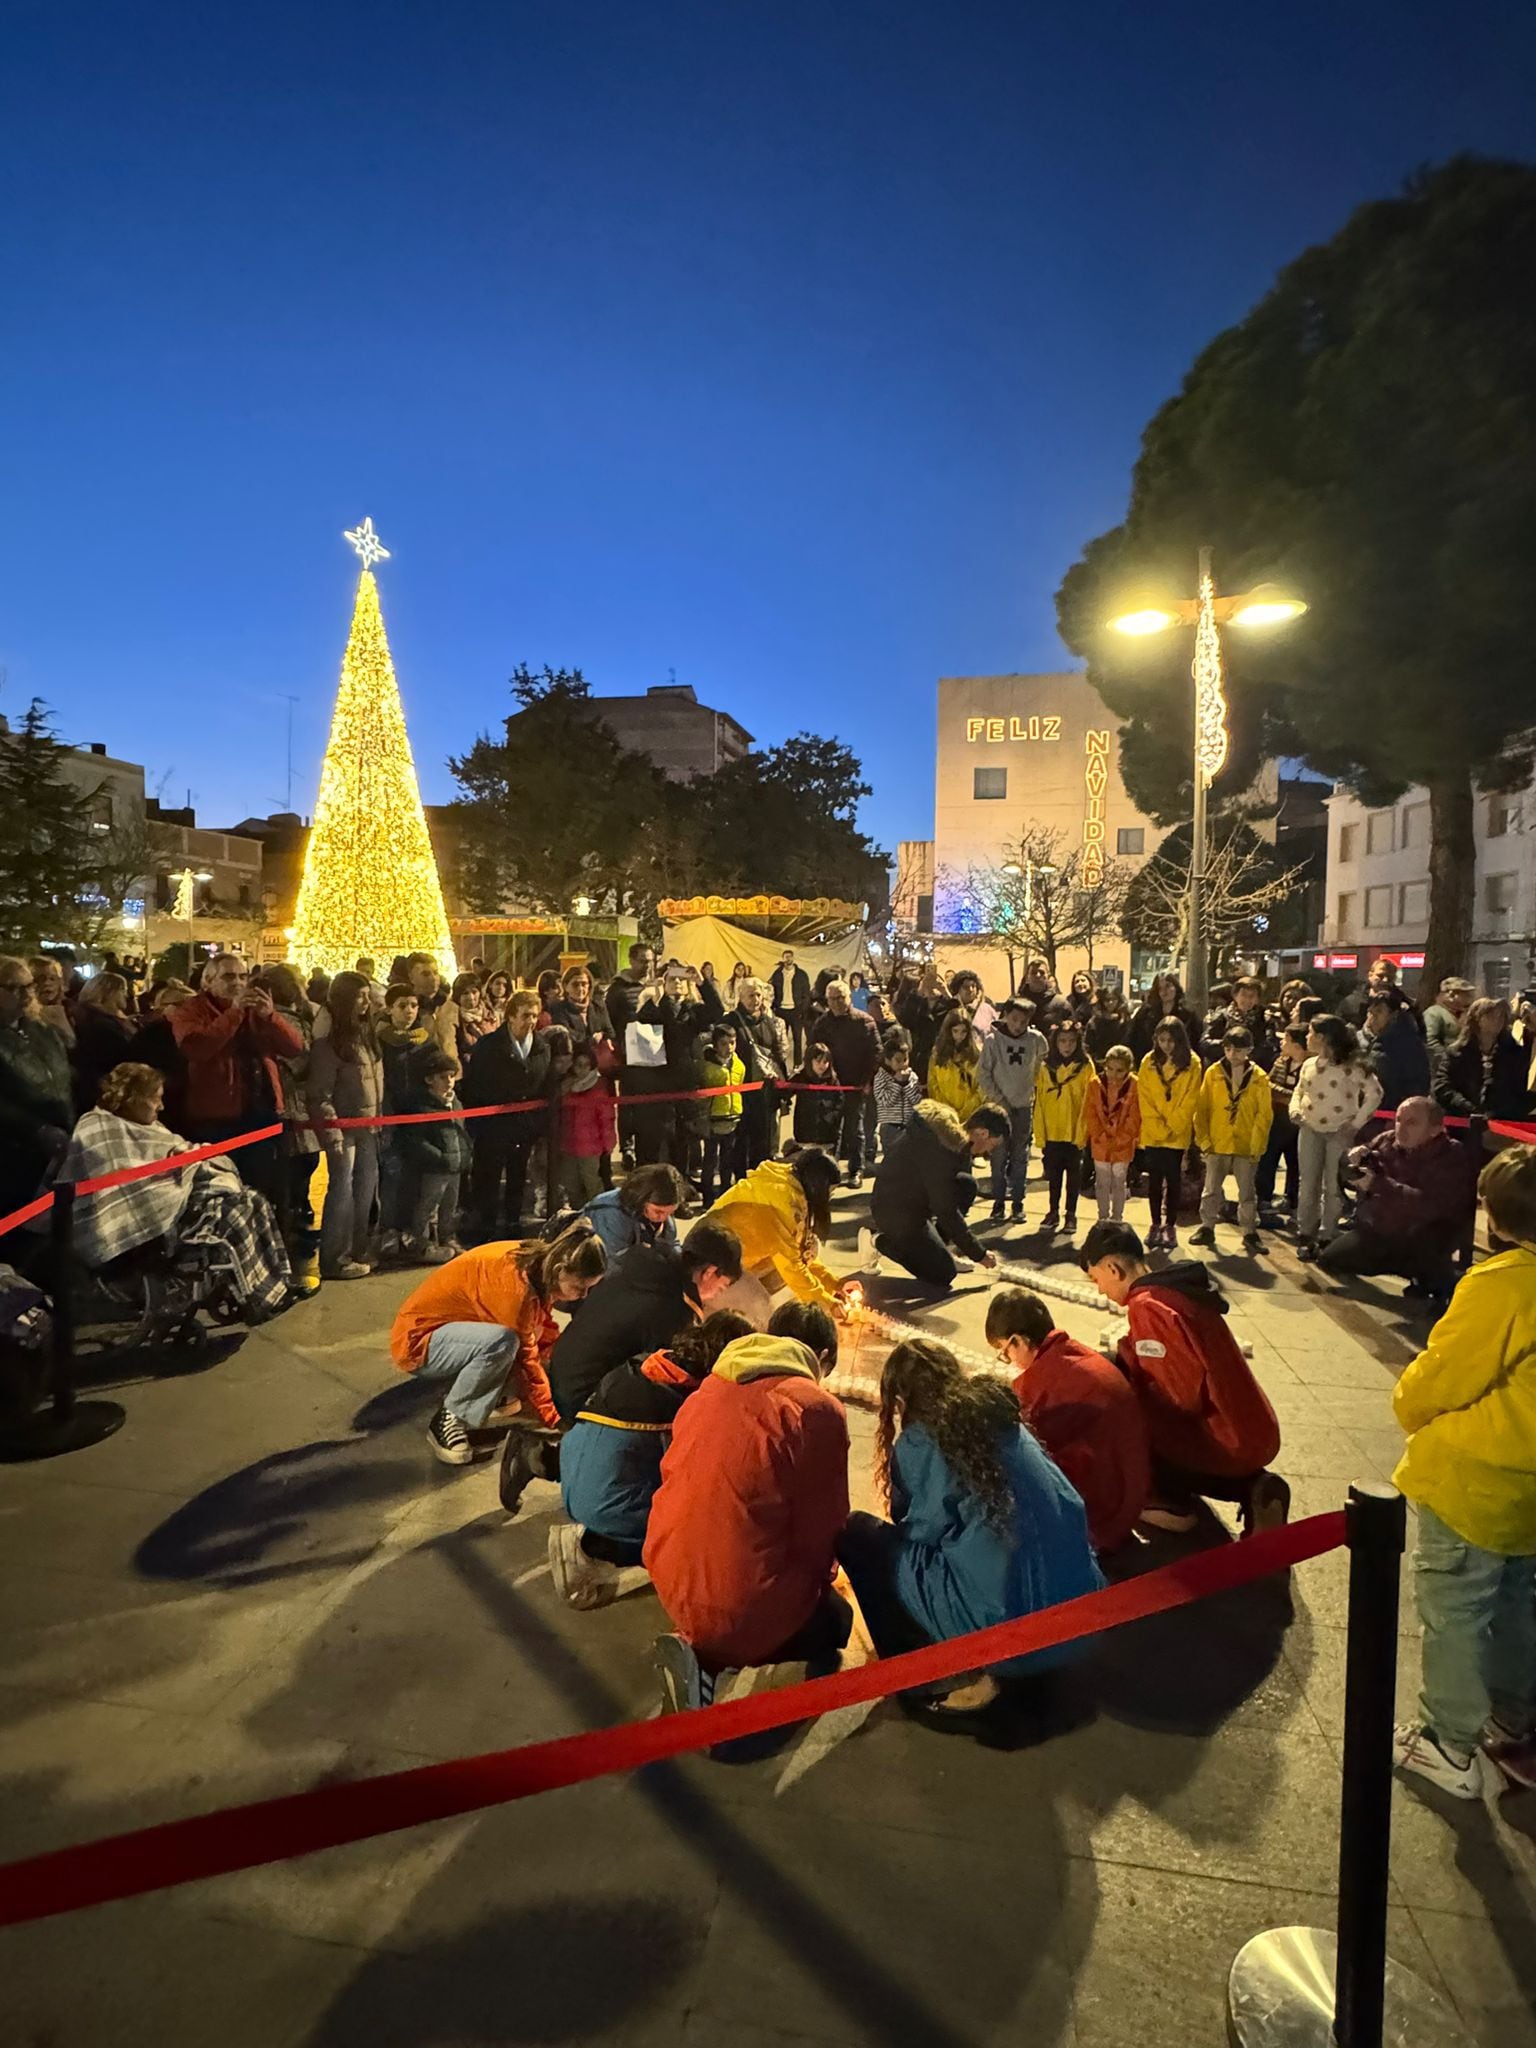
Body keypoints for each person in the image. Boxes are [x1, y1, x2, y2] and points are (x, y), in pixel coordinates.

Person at [838, 1335, 1104, 1722]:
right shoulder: (1004, 1419)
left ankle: (927, 1675)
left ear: (900, 1400)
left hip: (1011, 1638)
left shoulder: (922, 1440)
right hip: (1080, 1611)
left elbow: (918, 1531)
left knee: (861, 1535)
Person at [1391, 1143, 1536, 1800]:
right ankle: (1512, 1714)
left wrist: (1409, 1407)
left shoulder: (1502, 1283)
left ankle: (1448, 1743)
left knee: (1454, 1607)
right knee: (1515, 1602)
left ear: (1497, 1218)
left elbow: (1442, 1377)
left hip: (1477, 1474)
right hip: (1527, 1490)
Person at [648, 1325, 851, 1707]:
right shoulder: (814, 1409)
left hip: (667, 1571)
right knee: (836, 1625)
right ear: (819, 1361)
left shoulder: (705, 1393)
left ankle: (697, 1642)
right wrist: (821, 1582)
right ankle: (710, 1658)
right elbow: (823, 1524)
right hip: (740, 1597)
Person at [1080, 1221, 1287, 1534]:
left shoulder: (1148, 1307)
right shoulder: (1178, 1290)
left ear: (1112, 1268)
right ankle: (1253, 1486)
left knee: (1124, 1421)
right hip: (1254, 1428)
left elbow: (1178, 1398)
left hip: (1227, 1441)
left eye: (1097, 1279)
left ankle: (1179, 1501)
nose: (1100, 1290)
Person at [551, 1308, 756, 1609]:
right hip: (606, 1506)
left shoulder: (649, 1364)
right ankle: (596, 1550)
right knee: (707, 1532)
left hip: (574, 1481)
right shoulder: (688, 1401)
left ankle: (600, 1538)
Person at [59, 1061, 294, 1321]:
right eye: (156, 1099)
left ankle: (274, 1287)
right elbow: (126, 1186)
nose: (161, 1107)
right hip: (160, 1213)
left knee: (254, 1201)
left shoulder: (147, 1124)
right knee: (234, 1215)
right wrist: (180, 1168)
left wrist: (188, 1157)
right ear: (134, 1097)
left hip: (181, 1194)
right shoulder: (99, 1128)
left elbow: (166, 1151)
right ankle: (256, 1295)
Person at [391, 1221, 608, 1466]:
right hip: (419, 1342)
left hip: (452, 1329)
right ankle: (450, 1417)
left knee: (519, 1341)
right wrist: (554, 1417)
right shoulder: (514, 1288)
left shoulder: (539, 1263)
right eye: (580, 1287)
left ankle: (489, 1390)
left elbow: (541, 1327)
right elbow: (525, 1358)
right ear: (560, 1269)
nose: (583, 1296)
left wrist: (563, 1363)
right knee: (502, 1343)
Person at [986, 1288, 1149, 1555]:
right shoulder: (1073, 1353)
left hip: (1104, 1517)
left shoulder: (1044, 1384)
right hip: (1133, 1492)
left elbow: (1030, 1457)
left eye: (1005, 1352)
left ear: (1018, 1341)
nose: (1010, 1362)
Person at [543, 1218, 744, 1430]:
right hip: (585, 1404)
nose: (713, 1297)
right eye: (720, 1288)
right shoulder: (675, 1307)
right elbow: (671, 1370)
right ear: (710, 1272)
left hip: (562, 1375)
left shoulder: (639, 1259)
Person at [170, 951, 302, 1207]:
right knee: (223, 1194)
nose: (239, 983)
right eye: (229, 976)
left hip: (261, 1113)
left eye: (243, 976)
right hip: (218, 1119)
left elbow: (294, 1047)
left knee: (263, 1193)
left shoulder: (256, 1010)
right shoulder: (191, 1010)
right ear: (207, 982)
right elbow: (196, 1047)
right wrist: (234, 1013)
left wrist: (271, 1017)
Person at [1316, 1096, 1478, 1303]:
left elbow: (1429, 1206)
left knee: (1440, 1283)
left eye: (1412, 1123)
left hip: (1424, 1238)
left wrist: (1377, 1184)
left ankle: (1434, 1279)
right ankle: (1411, 1272)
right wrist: (1350, 1160)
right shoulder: (1385, 1141)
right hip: (1381, 1232)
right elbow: (1353, 1176)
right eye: (1399, 1119)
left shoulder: (1452, 1155)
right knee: (1330, 1259)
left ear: (1435, 1129)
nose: (1401, 1128)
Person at [860, 1100, 1008, 1290]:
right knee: (943, 1274)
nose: (989, 1152)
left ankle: (940, 1249)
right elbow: (946, 1210)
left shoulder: (957, 1144)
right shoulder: (939, 1149)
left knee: (967, 1185)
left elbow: (949, 1200)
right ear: (982, 1133)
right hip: (894, 1211)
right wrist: (978, 1254)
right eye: (992, 1145)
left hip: (916, 1201)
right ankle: (876, 1240)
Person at [703, 1147, 845, 1323]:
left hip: (739, 1255)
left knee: (811, 1249)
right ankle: (716, 1309)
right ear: (817, 1185)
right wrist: (827, 1303)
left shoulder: (792, 1185)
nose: (829, 1199)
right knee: (764, 1314)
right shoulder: (782, 1201)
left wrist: (836, 1284)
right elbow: (791, 1265)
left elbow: (800, 1251)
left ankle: (739, 1298)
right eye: (828, 1192)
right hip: (712, 1267)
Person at [307, 969, 385, 1279]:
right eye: (360, 996)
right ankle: (334, 1257)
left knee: (365, 1191)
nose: (366, 1002)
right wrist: (333, 1132)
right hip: (345, 1129)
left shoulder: (367, 1037)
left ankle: (358, 1249)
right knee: (342, 1191)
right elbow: (319, 1094)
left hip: (369, 1127)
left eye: (368, 995)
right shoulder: (330, 1045)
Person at [1290, 1014, 1384, 1260]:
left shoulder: (1352, 1067)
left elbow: (1375, 1093)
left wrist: (1355, 1124)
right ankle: (1305, 1231)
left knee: (1332, 1184)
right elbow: (1299, 1090)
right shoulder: (1310, 1065)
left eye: (1310, 1033)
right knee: (1307, 1182)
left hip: (1338, 1130)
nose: (1307, 1037)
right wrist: (1296, 1110)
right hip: (1310, 1128)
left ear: (1323, 1038)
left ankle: (1327, 1233)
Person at [463, 987, 552, 1236]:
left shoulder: (541, 1046)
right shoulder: (489, 1045)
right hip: (494, 1125)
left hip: (524, 1126)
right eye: (525, 1015)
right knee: (488, 1177)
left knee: (518, 1174)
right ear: (511, 1016)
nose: (531, 1021)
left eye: (534, 1016)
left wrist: (537, 1121)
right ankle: (486, 1224)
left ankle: (513, 1221)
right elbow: (475, 1083)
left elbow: (544, 1085)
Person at [1190, 1026, 1273, 1256]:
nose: (1233, 1054)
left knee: (1246, 1191)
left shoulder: (1258, 1077)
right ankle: (1207, 1225)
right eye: (1228, 1049)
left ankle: (1249, 1230)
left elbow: (1263, 1114)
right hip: (1218, 1140)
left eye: (1238, 1050)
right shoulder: (1214, 1073)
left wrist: (1257, 1145)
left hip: (1246, 1142)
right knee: (1211, 1188)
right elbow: (1202, 1108)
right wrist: (1203, 1140)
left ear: (1249, 1050)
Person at [397, 1049, 471, 1260]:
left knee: (450, 1204)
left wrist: (465, 1155)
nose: (448, 1081)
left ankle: (448, 1237)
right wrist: (438, 1157)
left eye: (451, 1076)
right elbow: (417, 1140)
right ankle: (423, 1243)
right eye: (442, 1077)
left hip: (454, 1165)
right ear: (429, 1079)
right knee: (428, 1205)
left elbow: (461, 1132)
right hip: (435, 1167)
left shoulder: (455, 1102)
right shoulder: (422, 1106)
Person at [975, 998, 1045, 1223]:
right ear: (1005, 1015)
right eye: (1014, 1019)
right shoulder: (993, 1041)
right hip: (998, 1110)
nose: (1018, 1025)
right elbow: (983, 1074)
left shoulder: (1035, 1040)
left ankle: (1017, 1202)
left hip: (1023, 1107)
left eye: (1024, 1021)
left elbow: (1041, 1062)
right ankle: (998, 1202)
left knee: (1020, 1156)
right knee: (998, 1156)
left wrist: (1032, 1088)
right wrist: (999, 1099)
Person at [807, 979, 881, 1189]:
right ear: (827, 1000)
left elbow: (876, 1053)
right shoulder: (822, 1024)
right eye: (833, 998)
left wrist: (868, 1080)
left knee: (855, 1128)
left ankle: (856, 1169)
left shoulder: (864, 1021)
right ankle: (831, 1170)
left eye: (842, 997)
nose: (838, 1002)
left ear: (849, 997)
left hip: (856, 1084)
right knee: (831, 1131)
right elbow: (812, 1051)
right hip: (830, 1085)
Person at [1136, 1017, 1201, 1252]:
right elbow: (1144, 1096)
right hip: (1153, 1131)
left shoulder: (1192, 1063)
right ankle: (1155, 1223)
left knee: (1173, 1180)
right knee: (1154, 1181)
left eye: (1171, 1041)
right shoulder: (1148, 1062)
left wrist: (1173, 1123)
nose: (1166, 1045)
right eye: (1161, 1040)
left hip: (1176, 1132)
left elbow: (1191, 1099)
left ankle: (1170, 1224)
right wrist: (1157, 1123)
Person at [721, 976, 791, 1176]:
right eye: (751, 995)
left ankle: (759, 1177)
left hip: (765, 1093)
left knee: (764, 1142)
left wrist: (782, 1088)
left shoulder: (770, 1022)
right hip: (740, 1091)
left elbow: (777, 1055)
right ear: (741, 997)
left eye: (758, 994)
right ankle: (740, 1179)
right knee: (740, 1141)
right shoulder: (730, 1021)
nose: (755, 999)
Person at [1033, 1018, 1094, 1236]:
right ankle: (1052, 1211)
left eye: (1071, 1041)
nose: (1066, 1046)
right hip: (1052, 1131)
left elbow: (1089, 1101)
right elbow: (1039, 1101)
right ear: (1055, 1042)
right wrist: (1040, 1133)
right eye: (1062, 1041)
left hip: (1073, 1131)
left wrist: (1082, 1132)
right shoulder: (1045, 1067)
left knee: (1074, 1175)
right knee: (1053, 1174)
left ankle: (1071, 1213)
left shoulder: (1085, 1067)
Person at [1436, 997, 1532, 1122]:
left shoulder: (1513, 1052)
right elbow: (1442, 1086)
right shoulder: (1457, 1052)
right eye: (1491, 1016)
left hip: (1502, 1122)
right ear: (1477, 1019)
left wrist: (1498, 1113)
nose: (1497, 1021)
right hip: (1463, 1121)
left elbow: (1521, 1090)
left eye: (1501, 1017)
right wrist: (1469, 1108)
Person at [580, 1162, 688, 1260]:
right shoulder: (609, 1213)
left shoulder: (659, 1207)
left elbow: (671, 1246)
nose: (664, 1218)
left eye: (670, 1213)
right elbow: (614, 1262)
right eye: (658, 1212)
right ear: (640, 1199)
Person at [69, 971, 139, 1116]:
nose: (126, 995)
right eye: (122, 991)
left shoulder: (101, 1018)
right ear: (109, 993)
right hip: (109, 1090)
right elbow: (121, 1053)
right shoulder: (100, 1024)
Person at [1084, 1043, 1140, 1223]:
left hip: (1122, 1145)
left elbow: (1135, 1116)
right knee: (1101, 1182)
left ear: (1128, 1069)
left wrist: (1121, 1138)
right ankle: (1102, 1217)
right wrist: (1099, 1135)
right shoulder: (1095, 1083)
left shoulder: (1134, 1085)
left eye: (1119, 1070)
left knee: (1119, 1181)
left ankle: (1117, 1218)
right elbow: (1090, 1112)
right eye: (1110, 1069)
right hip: (1100, 1143)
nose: (1114, 1075)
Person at [557, 1040, 617, 1205]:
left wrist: (608, 1143)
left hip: (590, 1148)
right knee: (571, 1184)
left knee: (592, 1184)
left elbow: (606, 1119)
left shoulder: (598, 1089)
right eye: (578, 1065)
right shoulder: (566, 1088)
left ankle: (597, 1215)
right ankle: (579, 1215)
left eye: (586, 1065)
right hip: (569, 1146)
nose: (581, 1069)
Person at [1257, 1025, 1307, 1223]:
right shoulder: (1280, 1062)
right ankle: (1264, 1199)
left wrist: (1287, 1096)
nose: (1281, 1043)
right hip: (1277, 1121)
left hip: (1298, 1124)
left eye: (1285, 1039)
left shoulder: (1310, 1066)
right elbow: (1268, 1085)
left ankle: (1293, 1201)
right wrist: (1290, 1095)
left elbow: (1304, 1095)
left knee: (1296, 1164)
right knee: (1269, 1159)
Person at [1360, 991, 1431, 1110]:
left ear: (1394, 1015)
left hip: (1391, 1112)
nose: (1373, 1016)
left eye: (1379, 1011)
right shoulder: (1358, 1039)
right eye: (1370, 1011)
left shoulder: (1409, 1044)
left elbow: (1418, 1083)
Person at [698, 1023, 745, 1202]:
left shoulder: (739, 1065)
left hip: (732, 1119)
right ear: (716, 1045)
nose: (729, 1047)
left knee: (727, 1161)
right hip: (713, 1120)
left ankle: (725, 1192)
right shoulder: (706, 1067)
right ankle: (708, 1197)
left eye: (732, 1043)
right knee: (710, 1160)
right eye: (724, 1043)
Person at [926, 1005, 985, 1126]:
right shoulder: (938, 1053)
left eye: (964, 1031)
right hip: (944, 1112)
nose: (959, 1036)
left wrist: (967, 1110)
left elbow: (981, 1086)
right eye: (955, 1031)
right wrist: (945, 1109)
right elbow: (933, 1083)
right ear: (948, 1031)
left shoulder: (976, 1055)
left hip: (971, 1114)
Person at [1129, 974, 1203, 1064]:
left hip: (1179, 1066)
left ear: (1175, 987)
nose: (1164, 991)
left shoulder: (1188, 1015)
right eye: (1160, 988)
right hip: (1149, 1065)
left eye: (1168, 986)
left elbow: (1196, 1044)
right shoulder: (1145, 1013)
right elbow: (1131, 1038)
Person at [873, 1035, 923, 1160]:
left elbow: (917, 1101)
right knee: (892, 1159)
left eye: (905, 1060)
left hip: (910, 1125)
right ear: (888, 1060)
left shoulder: (912, 1076)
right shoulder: (881, 1077)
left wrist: (906, 1084)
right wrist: (897, 1083)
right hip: (890, 1127)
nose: (903, 1064)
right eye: (898, 1060)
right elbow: (884, 1101)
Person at [546, 962, 612, 1046]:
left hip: (598, 1053)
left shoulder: (598, 1006)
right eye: (575, 985)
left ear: (589, 986)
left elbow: (610, 1032)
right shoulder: (558, 1009)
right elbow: (568, 1035)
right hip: (574, 1055)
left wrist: (602, 1035)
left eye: (584, 984)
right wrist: (591, 1040)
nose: (580, 989)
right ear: (566, 986)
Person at [791, 1041, 843, 1147]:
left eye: (825, 1062)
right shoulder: (801, 1078)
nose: (822, 1065)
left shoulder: (833, 1080)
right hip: (805, 1134)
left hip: (827, 1135)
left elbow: (840, 1101)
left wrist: (832, 1117)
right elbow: (785, 1091)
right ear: (810, 1061)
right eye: (818, 1061)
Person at [770, 950, 812, 1064]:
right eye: (786, 957)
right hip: (781, 1010)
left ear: (793, 959)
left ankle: (797, 1064)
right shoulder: (777, 974)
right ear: (783, 958)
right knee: (779, 1040)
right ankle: (780, 1064)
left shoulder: (801, 975)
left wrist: (802, 1009)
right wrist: (773, 1007)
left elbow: (806, 994)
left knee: (797, 1039)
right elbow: (771, 990)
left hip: (796, 1011)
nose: (788, 959)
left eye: (790, 957)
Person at [1422, 976, 1475, 1063]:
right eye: (1465, 994)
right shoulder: (1434, 1013)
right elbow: (1430, 1042)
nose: (1469, 997)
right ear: (1451, 995)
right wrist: (1446, 1055)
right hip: (1443, 1066)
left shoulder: (1462, 1014)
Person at [27, 955, 74, 1050]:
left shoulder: (73, 1010)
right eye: (40, 979)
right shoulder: (24, 1016)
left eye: (52, 978)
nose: (47, 983)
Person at [1083, 982, 1130, 1064]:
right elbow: (1088, 1046)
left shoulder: (1125, 1020)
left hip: (1122, 1064)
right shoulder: (1095, 1022)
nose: (1110, 1003)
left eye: (1114, 999)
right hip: (1099, 1063)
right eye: (1107, 1000)